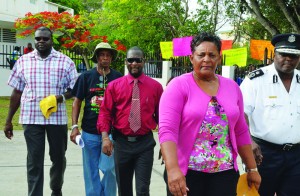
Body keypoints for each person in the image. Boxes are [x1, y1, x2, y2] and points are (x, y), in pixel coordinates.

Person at [158, 32, 261, 196]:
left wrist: (252, 168)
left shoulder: (232, 87)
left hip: (225, 174)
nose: (206, 59)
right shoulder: (178, 86)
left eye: (212, 55)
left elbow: (240, 130)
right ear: (192, 58)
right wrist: (172, 169)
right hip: (187, 174)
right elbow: (167, 131)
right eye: (201, 55)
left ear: (219, 58)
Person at [3, 26, 78, 196]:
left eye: (45, 38)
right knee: (34, 161)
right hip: (31, 118)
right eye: (38, 39)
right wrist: (8, 121)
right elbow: (16, 91)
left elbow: (74, 89)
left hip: (56, 119)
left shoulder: (65, 61)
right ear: (34, 40)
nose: (41, 41)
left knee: (58, 159)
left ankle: (56, 189)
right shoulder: (23, 61)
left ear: (52, 40)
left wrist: (58, 98)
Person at [97, 46, 163, 196]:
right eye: (131, 60)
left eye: (137, 60)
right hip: (122, 143)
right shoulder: (114, 86)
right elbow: (105, 113)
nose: (134, 63)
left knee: (142, 190)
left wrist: (165, 143)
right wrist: (105, 138)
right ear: (126, 62)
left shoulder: (156, 87)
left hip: (144, 144)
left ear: (143, 61)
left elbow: (162, 117)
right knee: (124, 189)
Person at [240, 33, 300, 196]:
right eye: (283, 54)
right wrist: (248, 141)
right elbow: (241, 114)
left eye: (293, 55)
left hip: (296, 156)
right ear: (275, 54)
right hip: (263, 154)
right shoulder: (256, 80)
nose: (288, 59)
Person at [70, 42, 122, 196]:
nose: (105, 58)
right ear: (97, 57)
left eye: (108, 55)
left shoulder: (118, 77)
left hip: (112, 132)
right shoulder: (86, 76)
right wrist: (74, 126)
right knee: (90, 170)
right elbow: (77, 102)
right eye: (102, 55)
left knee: (109, 169)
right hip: (90, 132)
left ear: (111, 58)